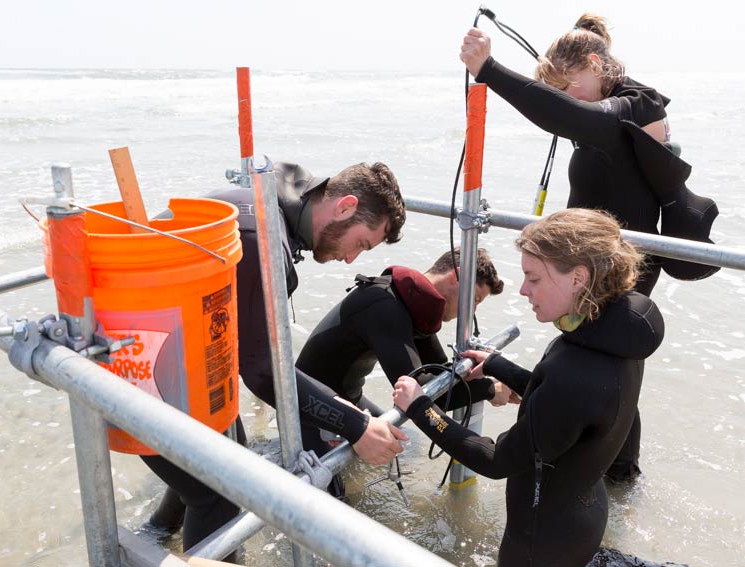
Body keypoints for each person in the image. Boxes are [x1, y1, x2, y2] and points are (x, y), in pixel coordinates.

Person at [459, 14, 716, 481]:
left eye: (570, 87)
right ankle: (612, 473)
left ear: (596, 65)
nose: (566, 101)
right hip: (594, 262)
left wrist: (489, 69)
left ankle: (603, 472)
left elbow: (571, 115)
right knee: (602, 366)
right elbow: (570, 114)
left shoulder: (633, 106)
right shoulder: (608, 107)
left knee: (595, 364)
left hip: (618, 269)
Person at [144, 161, 410, 553]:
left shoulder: (267, 203)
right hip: (143, 370)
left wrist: (335, 407)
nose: (352, 260)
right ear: (345, 206)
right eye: (361, 244)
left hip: (157, 355)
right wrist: (355, 425)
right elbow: (263, 372)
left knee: (229, 444)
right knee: (219, 491)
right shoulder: (263, 241)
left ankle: (155, 533)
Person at [393, 208, 665, 567]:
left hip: (541, 547)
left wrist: (421, 409)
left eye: (533, 278)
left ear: (578, 278)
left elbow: (495, 459)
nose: (523, 290)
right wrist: (496, 365)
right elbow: (564, 407)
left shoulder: (575, 371)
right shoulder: (617, 334)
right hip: (580, 514)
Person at [295, 246, 512, 498]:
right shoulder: (385, 306)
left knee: (403, 447)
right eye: (474, 300)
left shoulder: (413, 303)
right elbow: (427, 396)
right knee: (335, 503)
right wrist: (490, 389)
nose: (471, 311)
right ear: (458, 276)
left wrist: (495, 377)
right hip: (311, 406)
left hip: (349, 397)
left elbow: (438, 379)